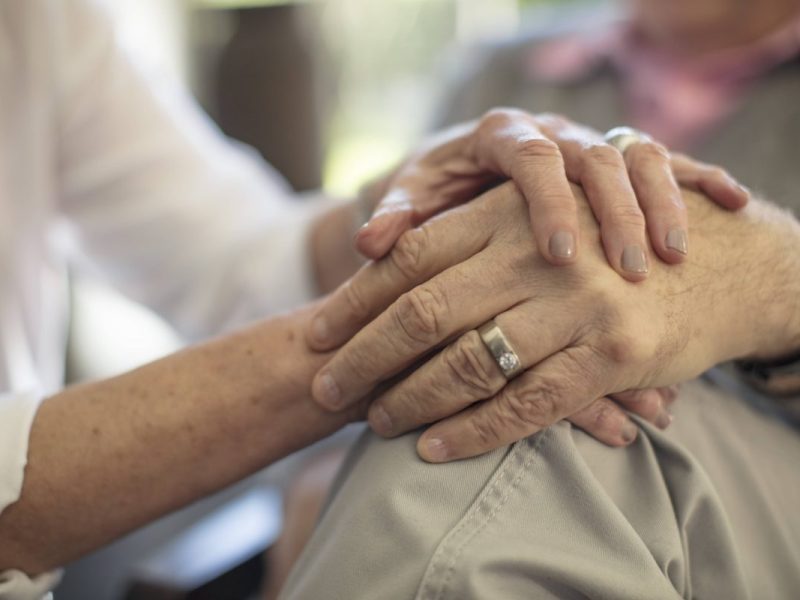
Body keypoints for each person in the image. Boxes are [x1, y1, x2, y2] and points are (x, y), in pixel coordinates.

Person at [0, 1, 742, 599]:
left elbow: (236, 258)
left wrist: (397, 208)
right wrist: (440, 313)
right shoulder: (506, 63)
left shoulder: (44, 20)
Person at [272, 0, 800, 597]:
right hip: (457, 440)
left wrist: (758, 277)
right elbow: (401, 279)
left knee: (522, 465)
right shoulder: (500, 73)